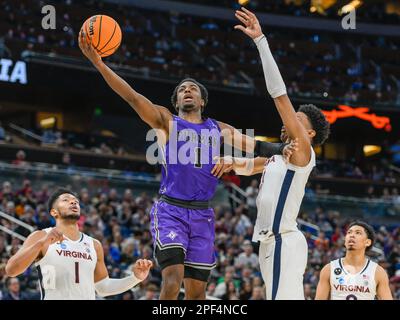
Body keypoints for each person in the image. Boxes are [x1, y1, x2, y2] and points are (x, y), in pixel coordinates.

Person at [78, 29, 297, 300]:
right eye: (182, 89)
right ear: (177, 101)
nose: (187, 91)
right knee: (172, 281)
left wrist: (282, 149)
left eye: (192, 88)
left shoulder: (218, 129)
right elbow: (132, 97)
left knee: (197, 295)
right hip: (171, 210)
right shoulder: (166, 122)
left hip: (203, 216)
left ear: (202, 101)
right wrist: (100, 64)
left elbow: (254, 146)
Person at [214, 7, 330, 300]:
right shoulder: (280, 156)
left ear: (310, 134)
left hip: (284, 241)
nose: (289, 121)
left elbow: (279, 96)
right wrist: (222, 150)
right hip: (270, 243)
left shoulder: (302, 151)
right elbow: (248, 155)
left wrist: (260, 41)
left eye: (298, 120)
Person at [5, 188, 152, 300]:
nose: (73, 202)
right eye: (66, 200)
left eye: (75, 201)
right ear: (54, 212)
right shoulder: (41, 236)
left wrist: (135, 278)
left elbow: (103, 287)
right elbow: (11, 270)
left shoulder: (94, 244)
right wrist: (40, 244)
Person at [315, 221, 393, 300]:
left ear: (367, 242)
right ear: (345, 241)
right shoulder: (329, 269)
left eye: (358, 233)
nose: (352, 235)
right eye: (349, 232)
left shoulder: (378, 272)